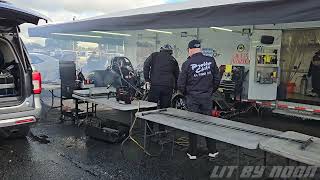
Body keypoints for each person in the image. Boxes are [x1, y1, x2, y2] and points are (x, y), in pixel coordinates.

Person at [178, 40, 221, 160]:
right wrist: (210, 91)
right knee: (208, 123)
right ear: (200, 49)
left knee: (193, 124)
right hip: (207, 97)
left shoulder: (187, 63)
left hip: (192, 98)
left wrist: (187, 94)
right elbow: (217, 79)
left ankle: (193, 153)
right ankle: (213, 150)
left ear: (190, 50)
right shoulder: (211, 60)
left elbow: (181, 84)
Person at [144, 44, 180, 132]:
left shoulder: (154, 55)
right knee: (164, 109)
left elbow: (146, 65)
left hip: (155, 85)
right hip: (168, 87)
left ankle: (149, 129)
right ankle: (162, 131)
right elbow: (177, 75)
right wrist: (176, 87)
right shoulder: (173, 60)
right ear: (171, 52)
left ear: (161, 50)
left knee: (151, 107)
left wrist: (147, 79)